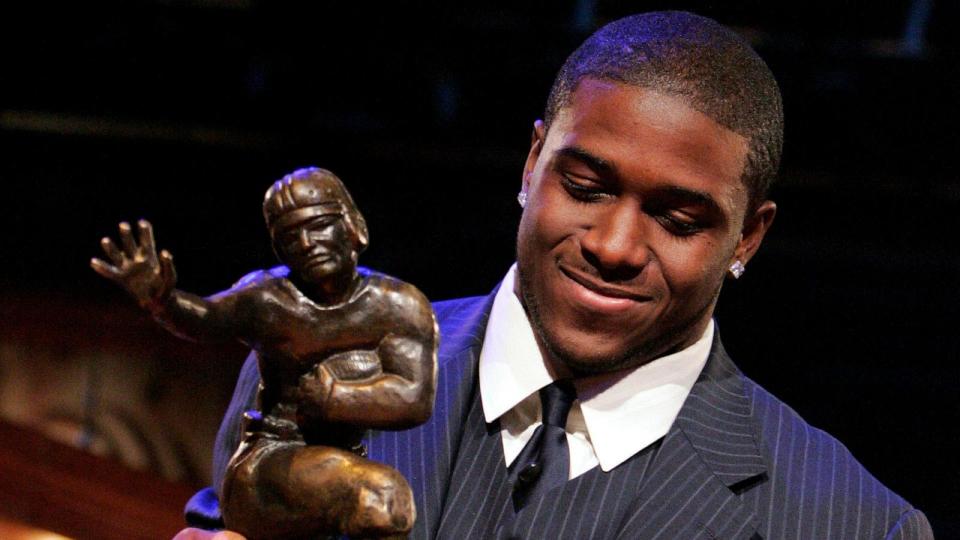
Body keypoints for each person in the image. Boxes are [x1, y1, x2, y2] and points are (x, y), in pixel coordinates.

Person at [176, 11, 934, 539]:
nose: (613, 244)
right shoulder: (316, 365)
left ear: (748, 238)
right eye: (586, 188)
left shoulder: (851, 523)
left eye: (678, 220)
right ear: (534, 162)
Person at [92, 168, 438, 538]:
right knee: (382, 497)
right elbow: (207, 318)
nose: (306, 243)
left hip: (338, 464)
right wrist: (162, 300)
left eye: (319, 225)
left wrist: (335, 398)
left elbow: (414, 398)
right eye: (290, 236)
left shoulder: (398, 306)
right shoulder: (269, 298)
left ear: (355, 226)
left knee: (380, 502)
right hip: (267, 465)